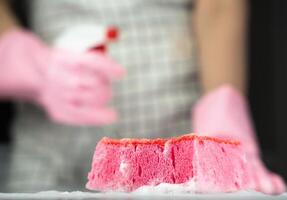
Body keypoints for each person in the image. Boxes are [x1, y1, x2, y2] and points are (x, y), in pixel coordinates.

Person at [0, 0, 285, 193]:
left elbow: (219, 6)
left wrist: (222, 109)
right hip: (46, 152)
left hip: (179, 144)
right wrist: (17, 56)